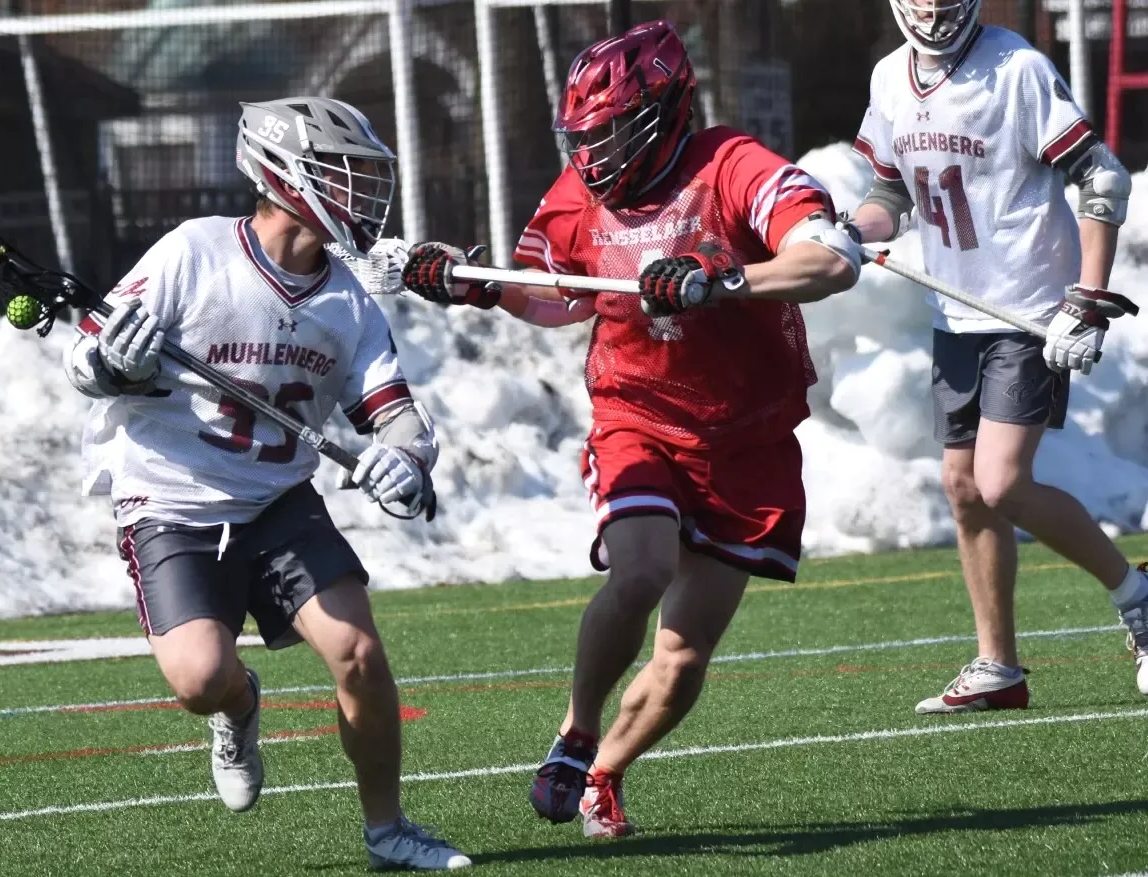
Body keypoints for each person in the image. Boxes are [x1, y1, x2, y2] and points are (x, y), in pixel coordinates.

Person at [396, 21, 860, 839]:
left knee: (681, 659)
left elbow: (827, 262)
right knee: (640, 569)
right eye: (584, 134)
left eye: (609, 129)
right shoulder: (579, 196)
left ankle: (604, 772)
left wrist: (721, 281)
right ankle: (576, 733)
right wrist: (475, 285)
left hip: (745, 438)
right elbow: (556, 295)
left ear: (661, 109)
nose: (593, 150)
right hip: (635, 415)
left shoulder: (728, 164)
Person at [62, 95, 469, 871]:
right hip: (171, 500)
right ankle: (239, 705)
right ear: (284, 175)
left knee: (357, 651)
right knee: (199, 679)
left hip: (280, 502)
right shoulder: (193, 252)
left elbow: (399, 418)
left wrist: (406, 462)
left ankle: (387, 828)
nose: (357, 196)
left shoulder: (347, 300)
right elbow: (86, 359)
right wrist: (113, 361)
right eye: (338, 176)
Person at [846, 0, 1148, 713]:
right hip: (954, 311)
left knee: (1000, 481)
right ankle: (997, 666)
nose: (930, 8)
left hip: (1027, 312)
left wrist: (1086, 296)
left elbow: (1100, 178)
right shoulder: (890, 78)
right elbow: (889, 192)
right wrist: (850, 230)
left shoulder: (1016, 68)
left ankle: (1136, 596)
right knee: (961, 485)